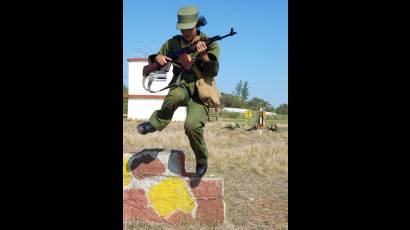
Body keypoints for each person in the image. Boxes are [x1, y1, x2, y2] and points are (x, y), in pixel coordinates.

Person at [136, 5, 220, 177]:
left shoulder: (210, 43)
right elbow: (156, 59)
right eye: (183, 28)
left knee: (192, 126)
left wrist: (203, 55)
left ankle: (201, 159)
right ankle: (156, 122)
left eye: (189, 28)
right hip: (181, 84)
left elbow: (213, 71)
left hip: (200, 90)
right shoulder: (173, 42)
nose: (186, 32)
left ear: (197, 25)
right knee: (175, 95)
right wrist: (157, 58)